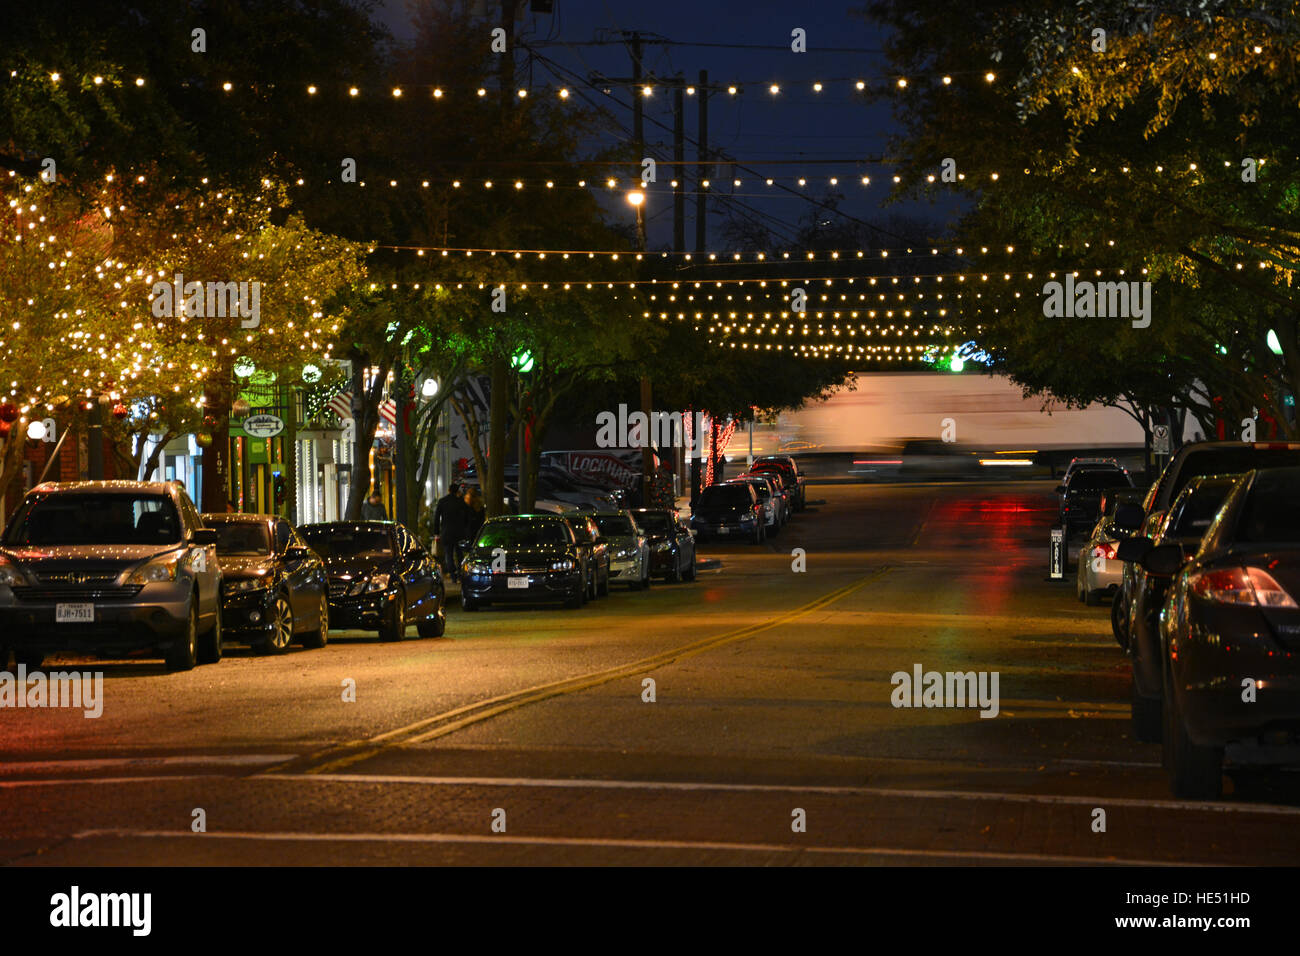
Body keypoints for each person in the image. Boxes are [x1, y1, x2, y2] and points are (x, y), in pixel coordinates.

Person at [432, 481, 461, 576]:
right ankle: (460, 572)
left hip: (446, 531)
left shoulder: (442, 501)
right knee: (459, 553)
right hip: (458, 532)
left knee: (448, 554)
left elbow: (436, 517)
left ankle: (452, 574)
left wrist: (436, 532)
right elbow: (465, 517)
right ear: (457, 491)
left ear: (449, 490)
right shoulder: (460, 502)